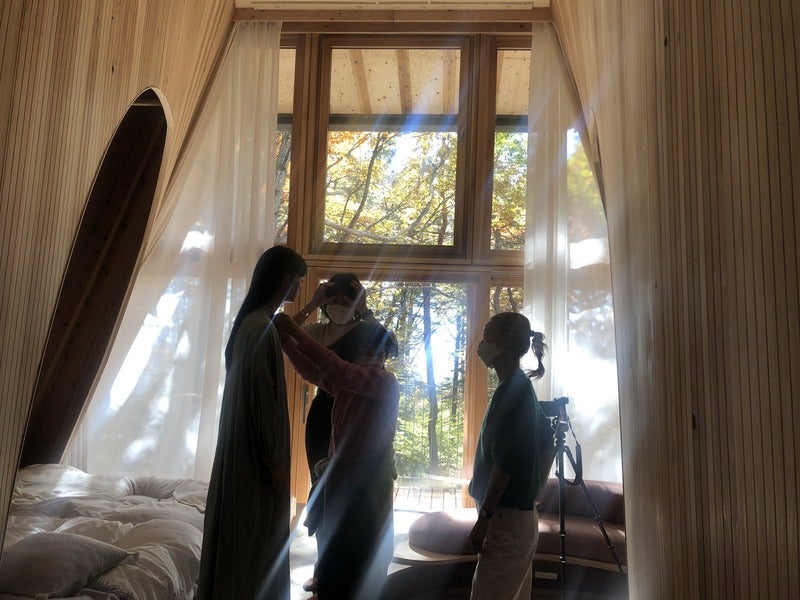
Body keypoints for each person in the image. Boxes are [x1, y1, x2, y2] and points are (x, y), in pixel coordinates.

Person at [197, 245, 307, 600]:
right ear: (286, 280)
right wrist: (275, 460)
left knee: (242, 541)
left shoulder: (252, 324)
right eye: (299, 280)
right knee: (255, 544)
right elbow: (264, 402)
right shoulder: (261, 327)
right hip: (255, 457)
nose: (300, 287)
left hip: (242, 449)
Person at [273, 312, 400, 600]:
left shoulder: (385, 382)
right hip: (345, 480)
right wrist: (287, 343)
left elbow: (337, 370)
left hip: (369, 484)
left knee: (361, 556)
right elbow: (317, 373)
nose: (375, 354)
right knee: (336, 553)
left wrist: (295, 333)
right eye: (367, 348)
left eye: (379, 349)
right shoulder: (350, 384)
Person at [291, 273, 380, 593]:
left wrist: (365, 309)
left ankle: (352, 571)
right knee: (322, 492)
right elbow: (283, 335)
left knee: (351, 493)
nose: (340, 305)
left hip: (356, 414)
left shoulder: (366, 330)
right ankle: (323, 569)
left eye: (347, 299)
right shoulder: (318, 331)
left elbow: (385, 343)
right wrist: (311, 304)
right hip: (322, 413)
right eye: (334, 299)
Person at [468, 312, 552, 600]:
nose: (481, 342)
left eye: (487, 333)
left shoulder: (512, 391)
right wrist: (536, 491)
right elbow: (548, 440)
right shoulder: (519, 386)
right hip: (517, 521)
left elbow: (506, 462)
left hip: (505, 523)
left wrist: (484, 517)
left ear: (504, 342)